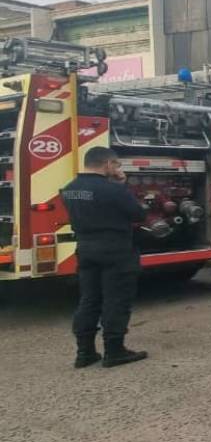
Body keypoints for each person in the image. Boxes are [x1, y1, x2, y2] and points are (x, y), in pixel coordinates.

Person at [60, 146, 148, 368]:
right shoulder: (112, 190)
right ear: (108, 164)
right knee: (116, 300)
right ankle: (115, 351)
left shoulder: (70, 189)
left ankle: (85, 353)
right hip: (116, 251)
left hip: (86, 249)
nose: (118, 169)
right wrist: (122, 185)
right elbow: (138, 214)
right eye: (117, 165)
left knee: (89, 300)